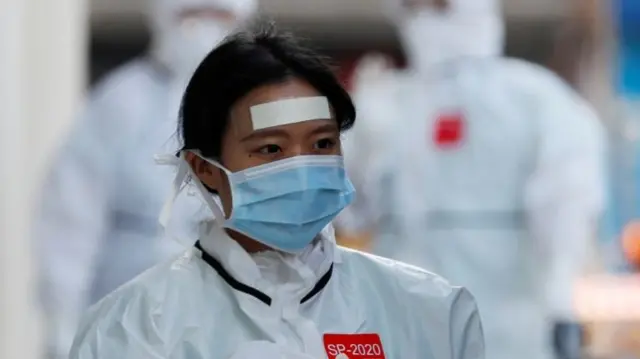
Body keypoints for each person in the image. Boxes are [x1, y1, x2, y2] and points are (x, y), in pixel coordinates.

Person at [68, 24, 485, 359]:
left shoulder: (429, 311)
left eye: (322, 144)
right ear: (204, 169)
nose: (302, 169)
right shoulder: (134, 327)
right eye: (271, 149)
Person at [336, 1, 607, 359]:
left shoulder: (538, 100)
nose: (428, 18)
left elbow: (566, 207)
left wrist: (559, 302)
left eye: (440, 6)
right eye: (417, 7)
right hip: (404, 324)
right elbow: (348, 210)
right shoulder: (387, 102)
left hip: (507, 331)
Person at [33, 1, 257, 358]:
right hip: (124, 318)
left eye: (220, 17)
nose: (206, 30)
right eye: (193, 17)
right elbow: (71, 215)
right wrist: (62, 321)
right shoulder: (122, 100)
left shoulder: (260, 104)